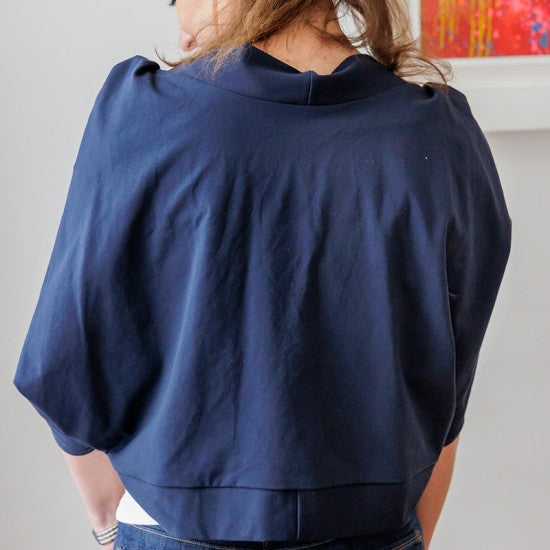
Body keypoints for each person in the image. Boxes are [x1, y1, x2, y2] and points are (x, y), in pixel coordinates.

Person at [12, 0, 512, 549]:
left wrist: (110, 523)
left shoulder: (146, 116)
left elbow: (60, 364)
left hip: (173, 530)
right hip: (376, 532)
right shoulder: (438, 136)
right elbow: (447, 391)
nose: (181, 29)